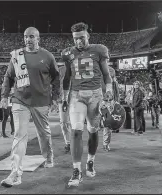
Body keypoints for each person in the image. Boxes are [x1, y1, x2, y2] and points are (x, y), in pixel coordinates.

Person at [0, 27, 60, 187]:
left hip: (41, 102)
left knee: (44, 133)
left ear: (38, 38)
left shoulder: (47, 56)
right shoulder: (17, 56)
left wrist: (55, 98)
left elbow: (56, 78)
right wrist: (4, 96)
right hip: (20, 100)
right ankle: (15, 174)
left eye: (31, 37)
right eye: (26, 37)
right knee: (19, 135)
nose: (28, 40)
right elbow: (8, 76)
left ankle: (48, 156)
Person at [61, 22, 112, 187]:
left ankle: (90, 161)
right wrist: (64, 97)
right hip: (76, 95)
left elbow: (106, 74)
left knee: (93, 130)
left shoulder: (99, 50)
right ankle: (76, 170)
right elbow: (67, 77)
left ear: (88, 36)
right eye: (75, 39)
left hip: (96, 95)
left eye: (82, 38)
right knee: (76, 130)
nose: (79, 42)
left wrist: (109, 91)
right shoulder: (68, 53)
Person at [57, 61, 71, 153]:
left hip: (76, 98)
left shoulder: (78, 68)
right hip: (63, 99)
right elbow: (56, 84)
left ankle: (74, 141)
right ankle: (68, 142)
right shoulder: (60, 70)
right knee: (64, 122)